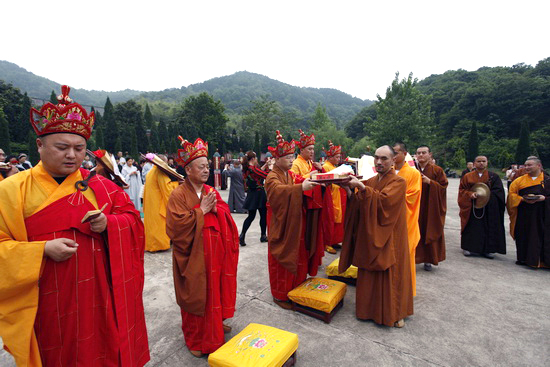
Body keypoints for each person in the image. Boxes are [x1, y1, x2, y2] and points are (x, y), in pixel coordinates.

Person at [0, 85, 149, 366]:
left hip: (98, 293)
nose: (71, 155)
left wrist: (109, 223)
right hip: (46, 299)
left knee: (101, 350)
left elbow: (132, 221)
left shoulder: (101, 186)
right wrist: (41, 249)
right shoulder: (11, 190)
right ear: (39, 145)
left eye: (79, 148)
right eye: (61, 147)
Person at [166, 137, 239, 357]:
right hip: (194, 258)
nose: (207, 170)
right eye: (202, 166)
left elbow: (226, 214)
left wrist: (216, 210)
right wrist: (202, 211)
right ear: (188, 170)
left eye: (208, 166)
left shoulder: (210, 190)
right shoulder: (178, 195)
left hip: (215, 256)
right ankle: (197, 339)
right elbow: (175, 228)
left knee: (214, 294)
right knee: (197, 297)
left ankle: (215, 326)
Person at [339, 145, 413, 328]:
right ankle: (367, 310)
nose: (379, 162)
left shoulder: (398, 182)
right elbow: (360, 204)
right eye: (376, 158)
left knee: (391, 274)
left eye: (384, 158)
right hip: (372, 236)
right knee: (369, 271)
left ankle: (395, 312)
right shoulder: (372, 180)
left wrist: (362, 189)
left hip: (391, 237)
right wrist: (350, 192)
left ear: (393, 159)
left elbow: (384, 203)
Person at [264, 131, 322, 310]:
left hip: (292, 221)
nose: (291, 160)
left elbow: (299, 181)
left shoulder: (288, 174)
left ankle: (294, 287)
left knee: (296, 252)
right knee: (281, 257)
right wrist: (299, 189)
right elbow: (278, 191)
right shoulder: (272, 177)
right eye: (288, 157)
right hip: (280, 222)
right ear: (278, 159)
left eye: (292, 156)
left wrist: (315, 180)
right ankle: (280, 294)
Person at [458, 156, 506, 258]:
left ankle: (488, 249)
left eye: (483, 161)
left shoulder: (494, 176)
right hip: (472, 206)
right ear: (474, 163)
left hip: (488, 208)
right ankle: (468, 247)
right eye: (479, 161)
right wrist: (470, 194)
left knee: (488, 227)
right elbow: (462, 190)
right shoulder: (468, 176)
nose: (481, 163)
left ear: (487, 163)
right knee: (471, 226)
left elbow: (499, 192)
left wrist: (487, 196)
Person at [507, 156, 549, 268]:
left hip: (543, 215)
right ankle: (524, 258)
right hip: (524, 214)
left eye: (529, 165)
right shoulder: (519, 180)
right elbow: (511, 196)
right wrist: (521, 199)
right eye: (525, 165)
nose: (526, 167)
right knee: (523, 236)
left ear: (538, 166)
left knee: (542, 236)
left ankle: (543, 261)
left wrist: (544, 198)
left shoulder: (547, 180)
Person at [393, 142, 422, 296]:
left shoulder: (413, 173)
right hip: (389, 220)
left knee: (404, 255)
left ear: (405, 153)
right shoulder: (388, 171)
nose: (394, 155)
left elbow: (412, 197)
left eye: (396, 152)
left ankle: (406, 290)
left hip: (406, 220)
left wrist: (389, 198)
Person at [415, 145, 448, 271]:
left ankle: (428, 259)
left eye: (424, 152)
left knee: (429, 228)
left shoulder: (437, 170)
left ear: (430, 155)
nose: (421, 155)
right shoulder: (413, 169)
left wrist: (430, 183)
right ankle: (414, 257)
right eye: (418, 153)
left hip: (430, 206)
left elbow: (443, 187)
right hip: (416, 205)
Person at [143, 154, 180, 252]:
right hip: (158, 204)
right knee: (158, 225)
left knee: (152, 226)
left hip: (151, 204)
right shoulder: (160, 173)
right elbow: (167, 190)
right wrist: (178, 184)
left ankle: (152, 245)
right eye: (165, 161)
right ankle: (159, 245)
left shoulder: (151, 172)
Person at [239, 151, 270, 246]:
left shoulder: (247, 168)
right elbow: (265, 175)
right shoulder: (253, 168)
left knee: (251, 216)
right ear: (253, 159)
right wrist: (270, 168)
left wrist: (265, 165)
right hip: (259, 194)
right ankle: (263, 235)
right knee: (263, 215)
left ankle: (242, 235)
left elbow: (258, 172)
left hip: (251, 194)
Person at [322, 141, 347, 254]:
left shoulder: (333, 166)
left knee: (337, 220)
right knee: (330, 220)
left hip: (337, 195)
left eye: (339, 156)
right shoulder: (326, 167)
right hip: (330, 197)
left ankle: (333, 241)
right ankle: (327, 243)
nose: (338, 159)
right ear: (330, 157)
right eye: (336, 157)